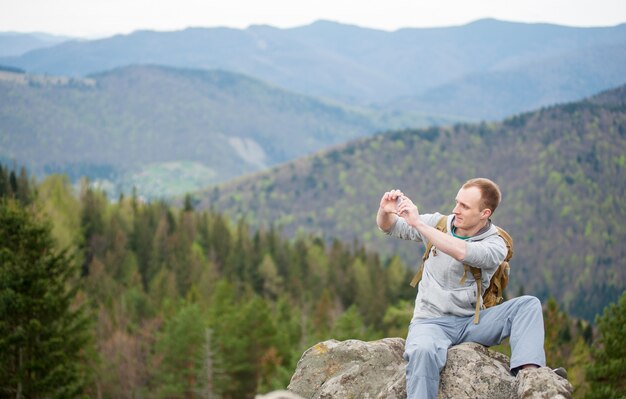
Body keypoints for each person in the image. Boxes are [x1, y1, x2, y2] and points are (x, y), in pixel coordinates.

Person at [377, 178, 558, 398]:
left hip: (473, 322)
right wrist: (385, 210)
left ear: (485, 213)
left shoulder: (496, 244)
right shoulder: (440, 223)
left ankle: (530, 376)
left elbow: (463, 252)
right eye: (457, 202)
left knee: (528, 305)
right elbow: (389, 227)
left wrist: (419, 224)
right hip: (431, 322)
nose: (456, 210)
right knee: (422, 351)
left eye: (465, 206)